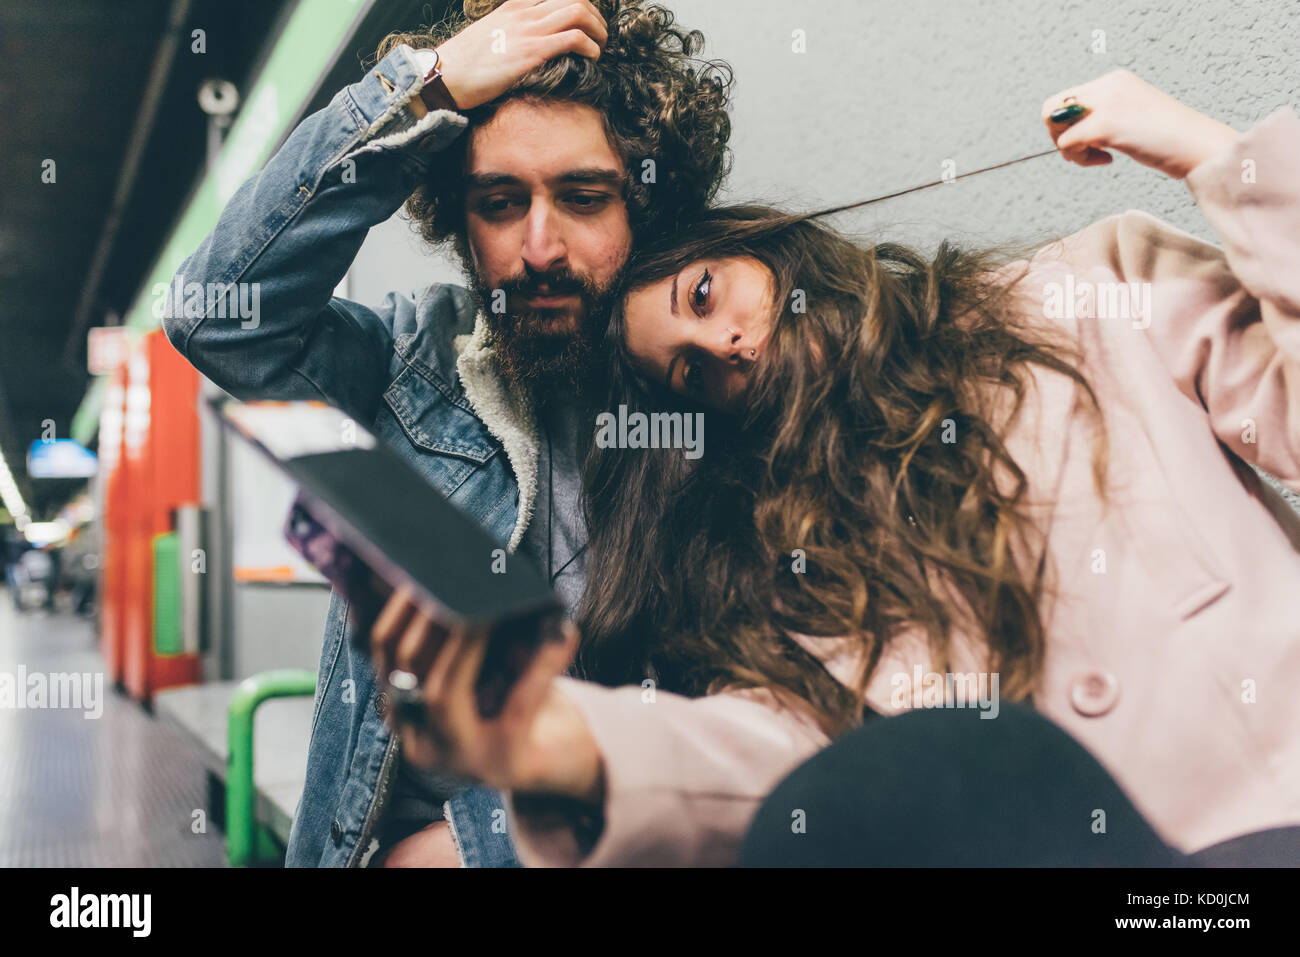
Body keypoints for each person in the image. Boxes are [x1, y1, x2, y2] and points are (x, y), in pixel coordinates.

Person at [375, 70, 1300, 865]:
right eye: (690, 372)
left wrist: (1217, 155)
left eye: (705, 296)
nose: (726, 346)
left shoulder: (1093, 290)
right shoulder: (788, 562)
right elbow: (770, 759)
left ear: (768, 245)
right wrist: (558, 740)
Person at [163, 0, 733, 867]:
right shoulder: (411, 366)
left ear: (647, 211)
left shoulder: (717, 411)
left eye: (583, 198)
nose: (539, 247)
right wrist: (422, 92)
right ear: (458, 222)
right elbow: (216, 319)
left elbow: (732, 749)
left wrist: (475, 848)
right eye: (501, 202)